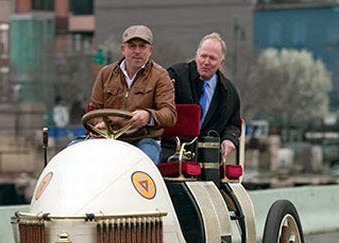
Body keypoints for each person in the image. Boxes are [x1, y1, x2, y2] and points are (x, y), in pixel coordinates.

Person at [85, 25, 177, 164]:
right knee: (74, 154)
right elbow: (94, 111)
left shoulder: (160, 76)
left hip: (144, 139)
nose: (137, 51)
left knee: (144, 163)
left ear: (150, 50)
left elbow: (170, 115)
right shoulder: (106, 74)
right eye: (132, 46)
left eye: (142, 46)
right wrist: (100, 123)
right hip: (108, 138)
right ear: (123, 49)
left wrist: (148, 116)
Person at [167, 32, 241, 161]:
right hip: (171, 149)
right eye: (203, 56)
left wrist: (230, 139)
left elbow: (233, 124)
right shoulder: (176, 75)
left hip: (208, 154)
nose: (206, 62)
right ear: (196, 56)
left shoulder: (229, 92)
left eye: (212, 58)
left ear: (221, 63)